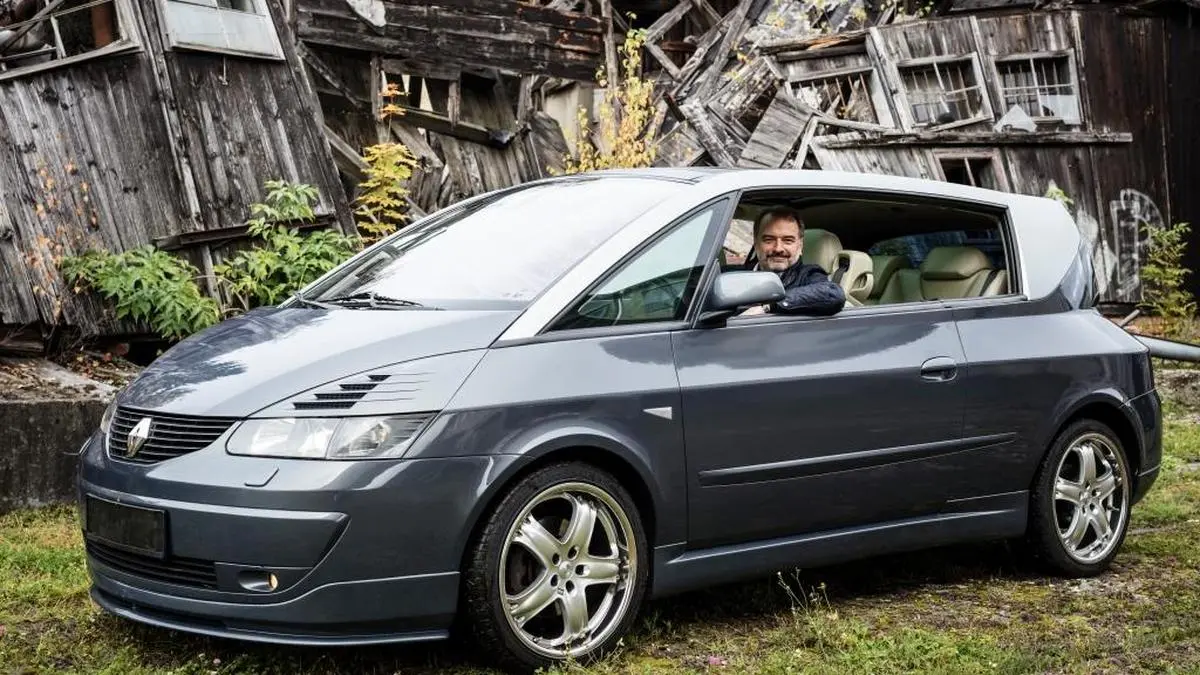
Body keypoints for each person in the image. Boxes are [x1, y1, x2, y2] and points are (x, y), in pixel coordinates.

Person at [741, 207, 845, 317]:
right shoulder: (734, 276)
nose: (778, 248)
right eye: (769, 240)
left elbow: (833, 294)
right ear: (756, 243)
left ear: (800, 246)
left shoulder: (808, 275)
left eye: (788, 240)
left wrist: (769, 306)